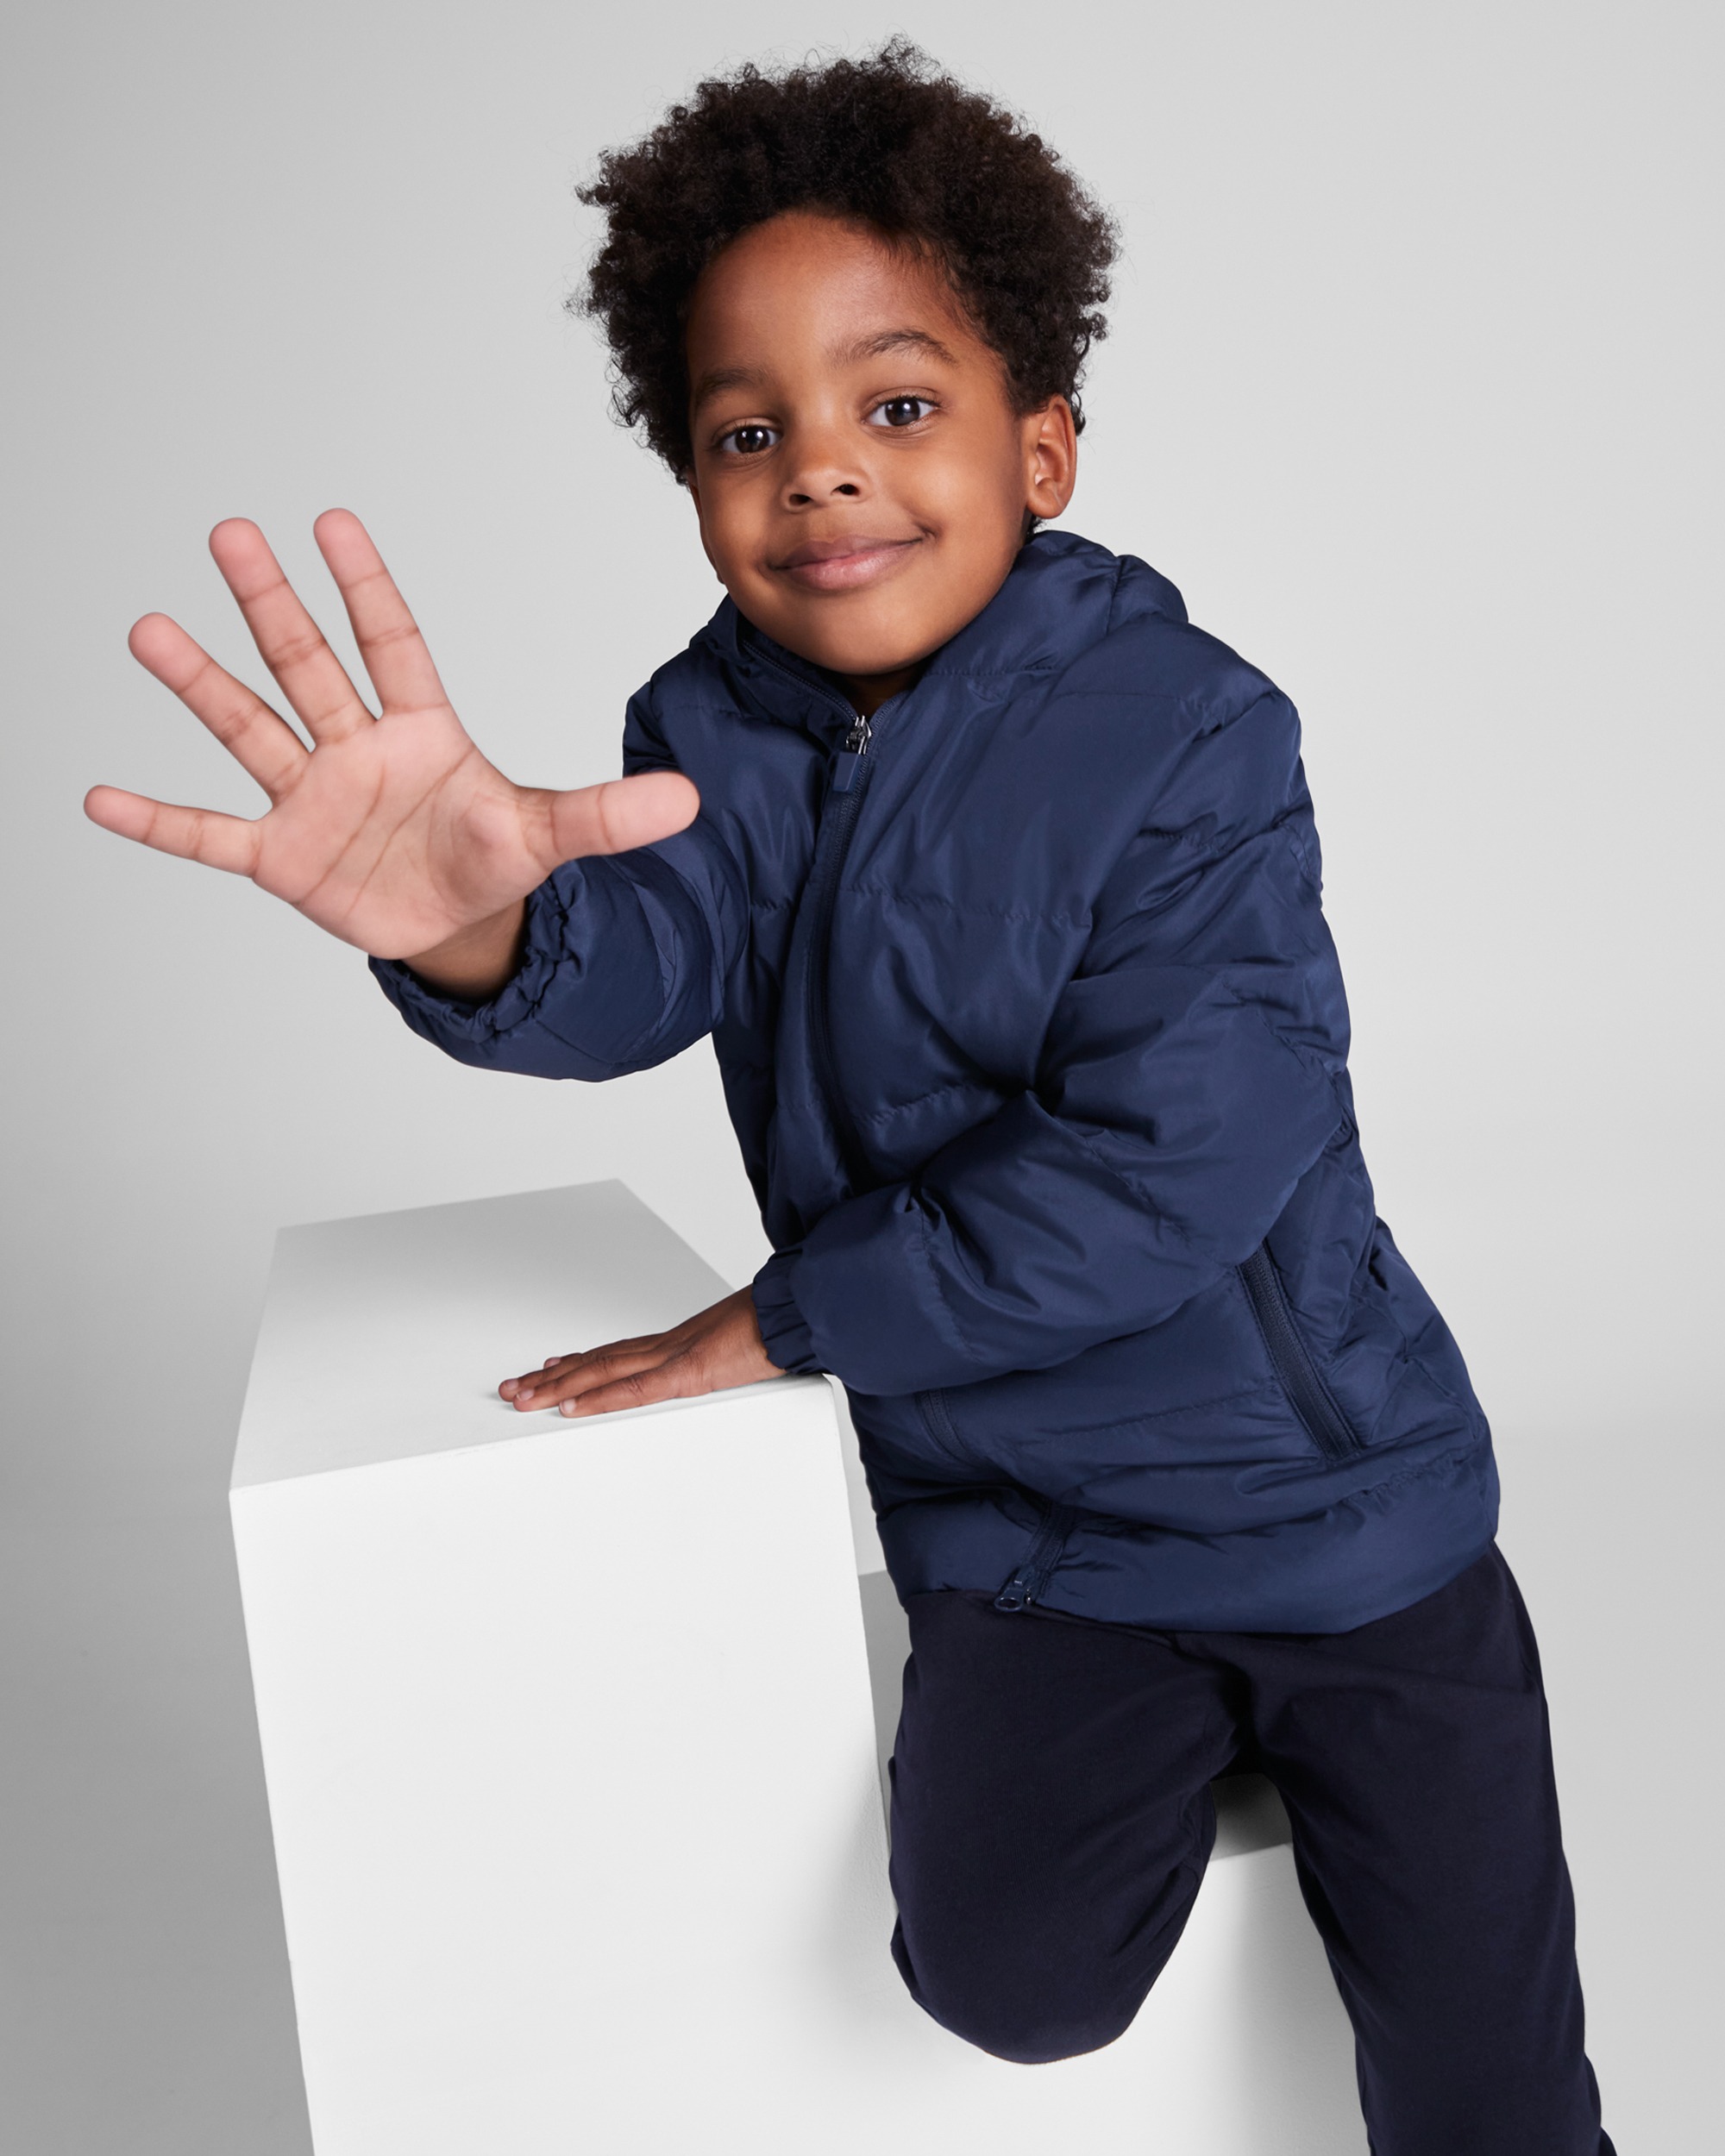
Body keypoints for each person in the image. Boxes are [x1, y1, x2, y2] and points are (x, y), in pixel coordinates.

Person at [85, 42, 1614, 2155]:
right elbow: (642, 959)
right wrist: (474, 929)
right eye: (750, 432)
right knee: (1008, 1985)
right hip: (1018, 1528)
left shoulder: (1188, 730)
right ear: (695, 483)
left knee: (1486, 2090)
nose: (820, 474)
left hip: (1335, 1514)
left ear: (1039, 444)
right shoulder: (704, 721)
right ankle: (1178, 1742)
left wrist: (783, 1317)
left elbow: (1172, 1161)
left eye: (895, 408)